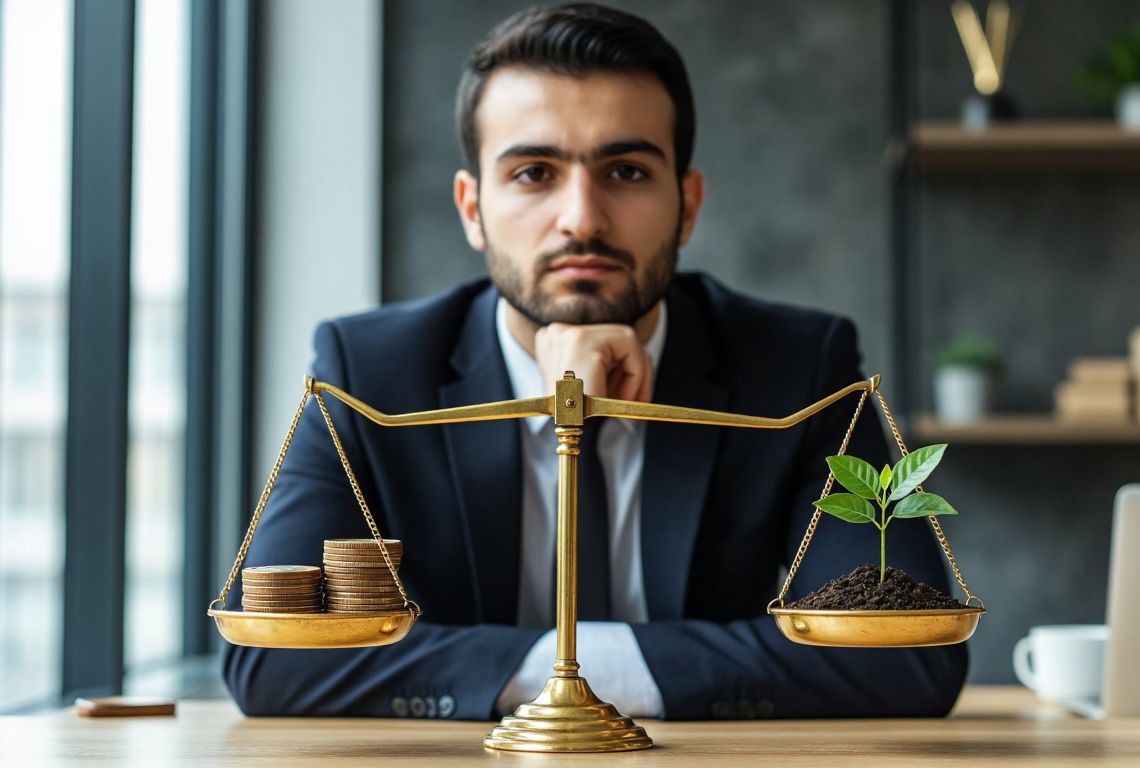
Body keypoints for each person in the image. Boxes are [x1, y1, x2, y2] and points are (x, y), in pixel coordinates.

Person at [223, 2, 967, 720]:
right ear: (472, 208)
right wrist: (573, 674)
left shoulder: (799, 370)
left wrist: (560, 670)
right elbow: (272, 658)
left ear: (689, 204)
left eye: (627, 173)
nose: (581, 217)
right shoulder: (368, 374)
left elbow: (907, 653)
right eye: (533, 174)